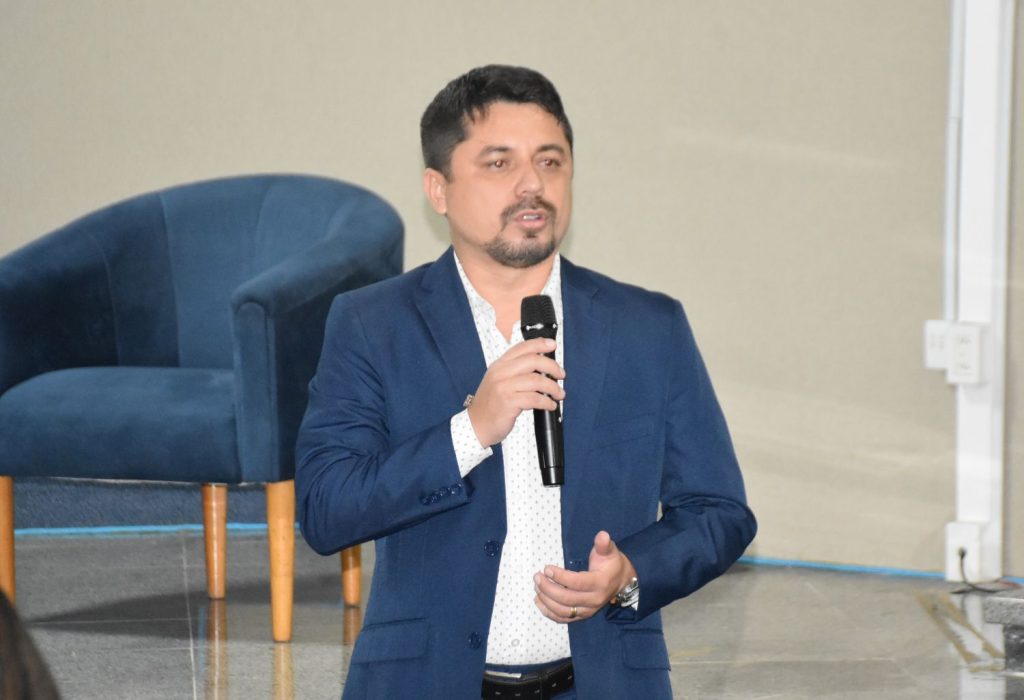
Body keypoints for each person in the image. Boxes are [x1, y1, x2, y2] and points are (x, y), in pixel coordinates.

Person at [295, 64, 756, 699]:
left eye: (550, 161)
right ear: (438, 189)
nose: (532, 184)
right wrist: (469, 432)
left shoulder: (648, 327)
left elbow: (719, 512)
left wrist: (628, 574)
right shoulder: (373, 324)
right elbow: (326, 509)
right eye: (498, 163)